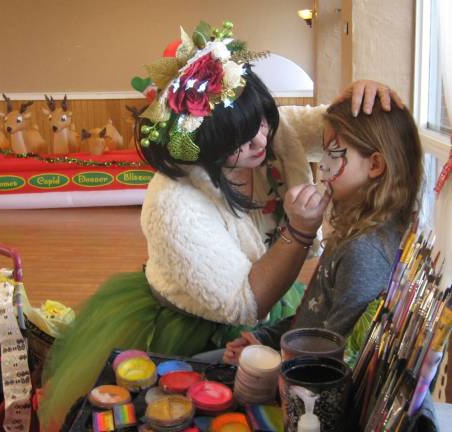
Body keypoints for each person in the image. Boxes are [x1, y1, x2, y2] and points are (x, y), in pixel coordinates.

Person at [38, 20, 402, 428]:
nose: (261, 142)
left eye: (260, 120)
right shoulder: (173, 203)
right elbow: (246, 303)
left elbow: (345, 132)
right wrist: (299, 231)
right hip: (198, 326)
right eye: (238, 141)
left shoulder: (270, 131)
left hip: (272, 319)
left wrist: (362, 94)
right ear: (200, 148)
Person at [223, 97, 423, 365]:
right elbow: (313, 317)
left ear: (375, 165)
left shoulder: (363, 254)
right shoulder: (354, 232)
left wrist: (267, 368)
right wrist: (266, 340)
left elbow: (332, 364)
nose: (323, 171)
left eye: (333, 154)